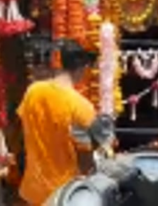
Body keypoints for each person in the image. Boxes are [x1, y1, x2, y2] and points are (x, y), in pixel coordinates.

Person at [17, 40, 102, 206]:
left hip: (34, 191)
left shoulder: (32, 92)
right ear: (83, 68)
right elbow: (85, 159)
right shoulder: (82, 107)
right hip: (64, 195)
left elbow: (26, 129)